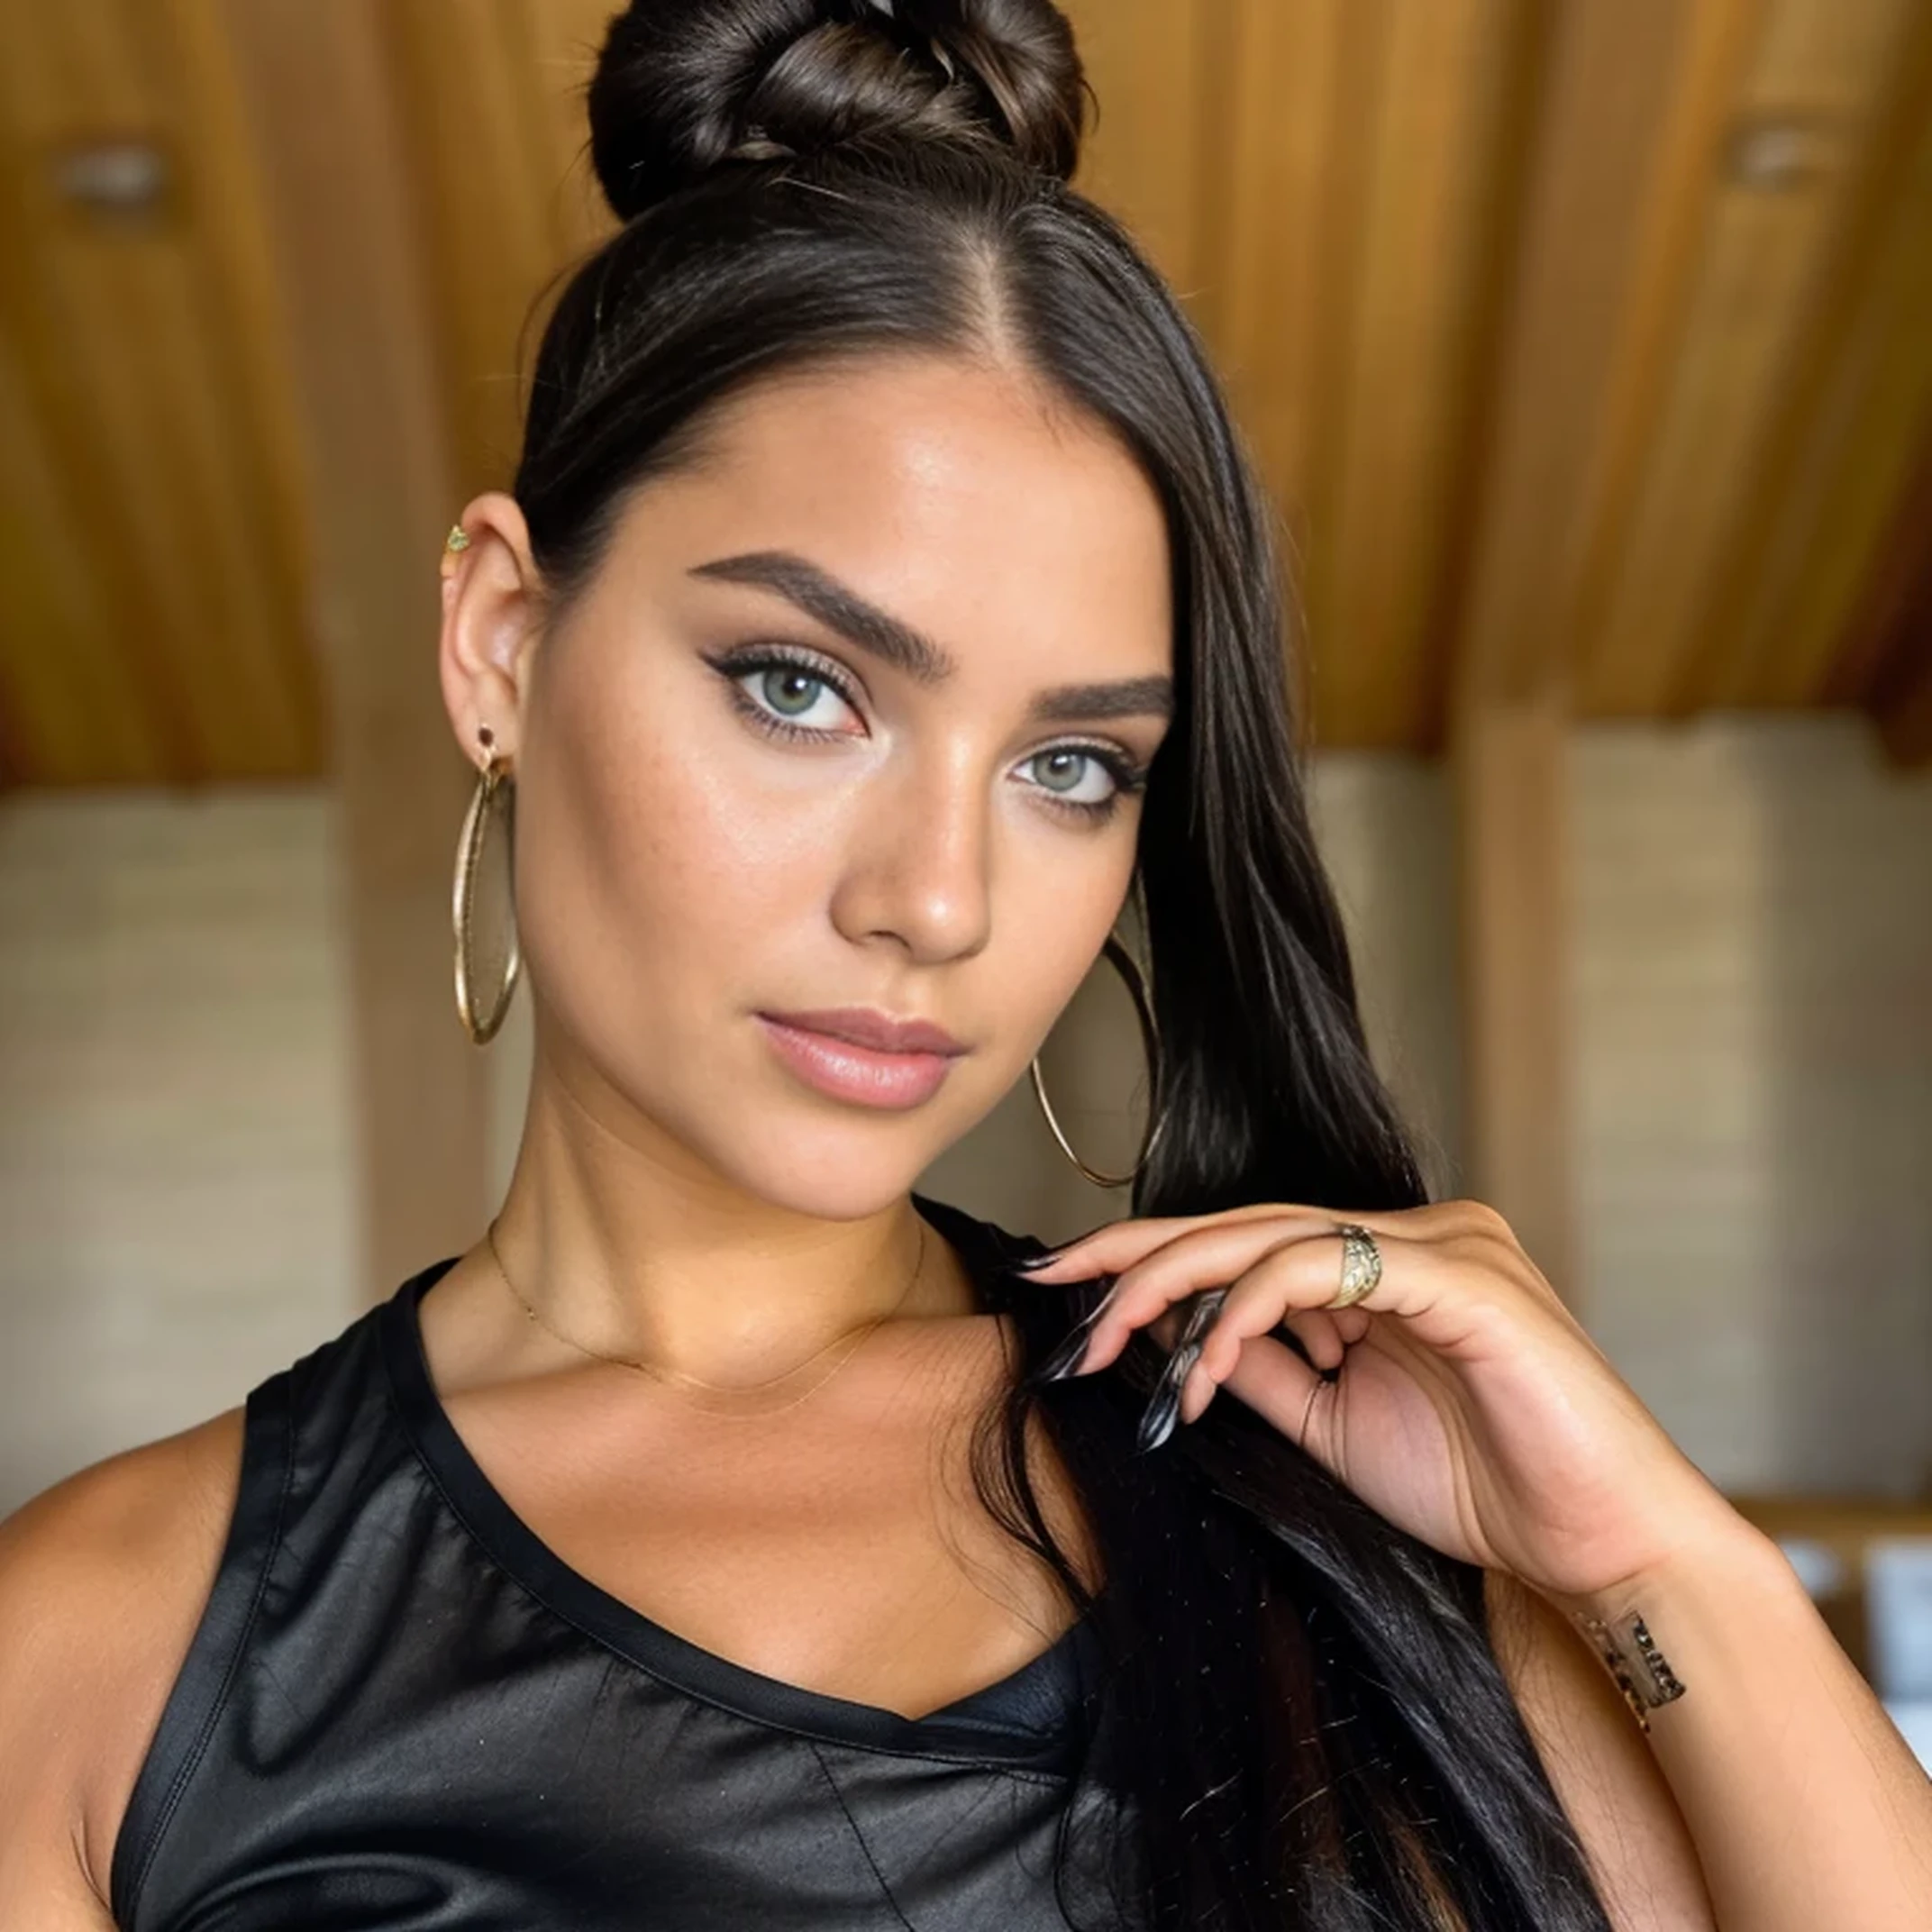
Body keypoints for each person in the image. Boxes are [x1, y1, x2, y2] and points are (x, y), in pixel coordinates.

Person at [5, 1, 1930, 1926]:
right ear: (503, 640)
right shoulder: (103, 1647)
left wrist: (1657, 1565)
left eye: (1069, 765)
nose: (936, 899)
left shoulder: (1326, 1493)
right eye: (798, 685)